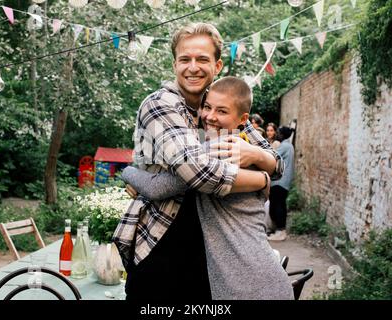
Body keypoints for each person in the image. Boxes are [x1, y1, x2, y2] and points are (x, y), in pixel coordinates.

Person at [112, 23, 284, 301]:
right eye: (185, 59)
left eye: (202, 59)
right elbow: (200, 173)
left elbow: (277, 164)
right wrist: (259, 178)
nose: (193, 67)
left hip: (210, 250)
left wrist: (259, 157)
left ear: (217, 65)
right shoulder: (160, 105)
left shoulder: (219, 102)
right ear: (175, 64)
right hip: (161, 245)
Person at [268, 126, 295, 241]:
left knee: (277, 206)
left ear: (283, 135)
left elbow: (270, 156)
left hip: (280, 181)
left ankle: (280, 231)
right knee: (278, 205)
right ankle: (278, 230)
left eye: (278, 132)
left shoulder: (284, 146)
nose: (277, 134)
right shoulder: (289, 145)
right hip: (283, 181)